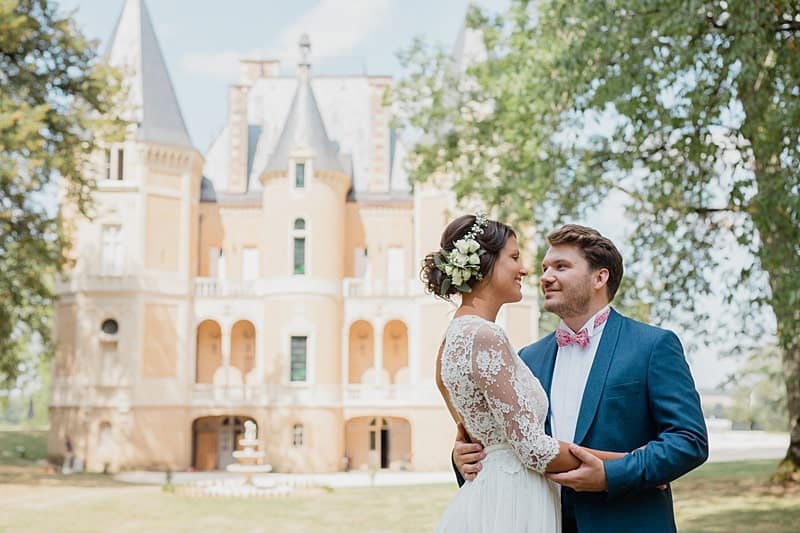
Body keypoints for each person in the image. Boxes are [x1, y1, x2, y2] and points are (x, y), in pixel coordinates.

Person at [453, 223, 709, 532]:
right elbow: (507, 445)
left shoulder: (653, 346)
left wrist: (611, 474)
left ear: (600, 277)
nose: (546, 277)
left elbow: (689, 440)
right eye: (545, 267)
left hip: (626, 522)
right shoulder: (525, 358)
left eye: (561, 267)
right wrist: (462, 459)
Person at [422, 214, 628, 532]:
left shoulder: (449, 342)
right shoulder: (488, 337)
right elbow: (532, 448)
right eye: (515, 257)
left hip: (492, 497)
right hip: (515, 500)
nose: (525, 269)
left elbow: (477, 433)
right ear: (485, 263)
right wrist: (626, 464)